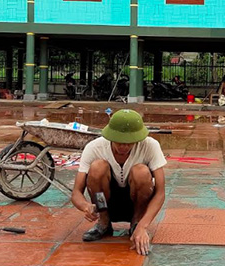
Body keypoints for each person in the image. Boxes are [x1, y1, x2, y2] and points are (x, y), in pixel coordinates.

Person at [71, 109, 167, 256]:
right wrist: (85, 206)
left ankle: (135, 223)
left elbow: (160, 193)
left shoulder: (150, 146)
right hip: (105, 203)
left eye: (129, 143)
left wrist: (143, 226)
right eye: (119, 142)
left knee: (141, 171)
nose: (124, 147)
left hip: (137, 202)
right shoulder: (94, 147)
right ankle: (104, 222)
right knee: (97, 167)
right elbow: (77, 192)